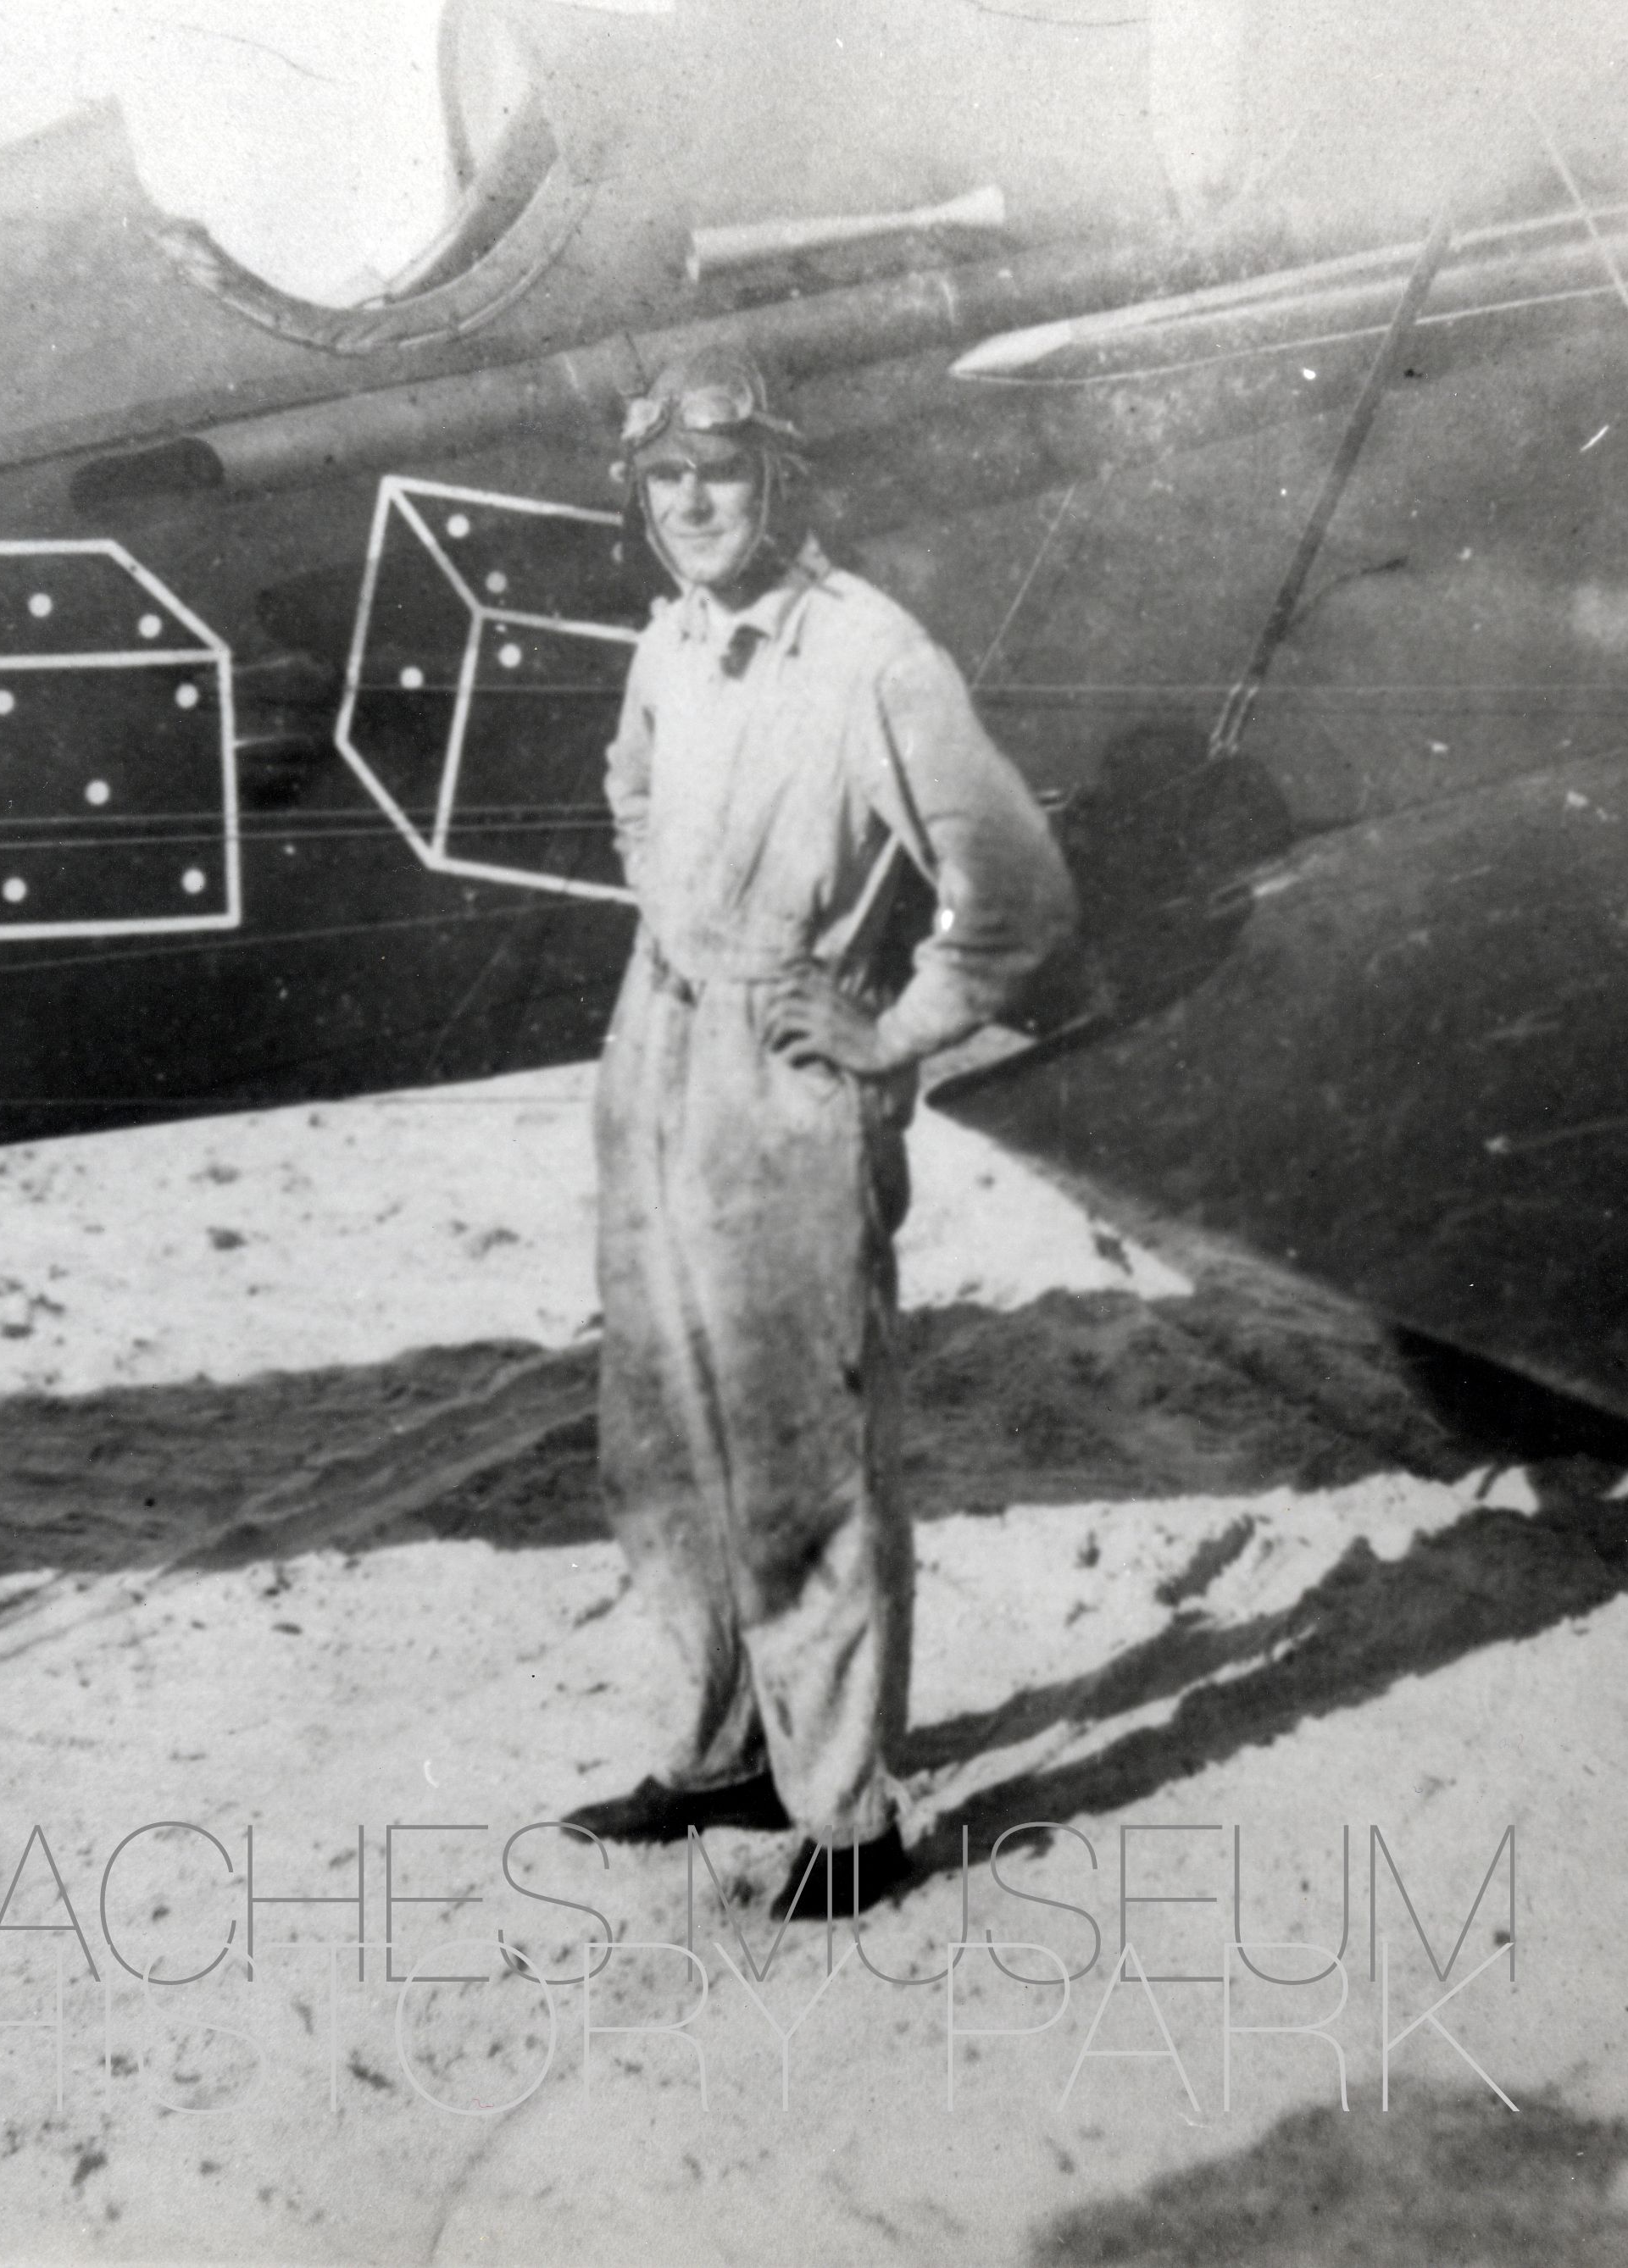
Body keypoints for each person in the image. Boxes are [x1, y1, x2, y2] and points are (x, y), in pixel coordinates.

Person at [561, 347, 1076, 1920]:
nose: (694, 503)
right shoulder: (670, 642)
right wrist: (676, 938)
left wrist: (886, 1027)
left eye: (722, 472)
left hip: (789, 1077)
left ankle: (847, 1815)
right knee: (658, 1438)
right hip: (657, 1051)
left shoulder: (872, 658)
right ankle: (722, 1749)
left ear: (780, 479)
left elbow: (1018, 894)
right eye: (666, 479)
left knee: (800, 1451)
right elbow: (632, 792)